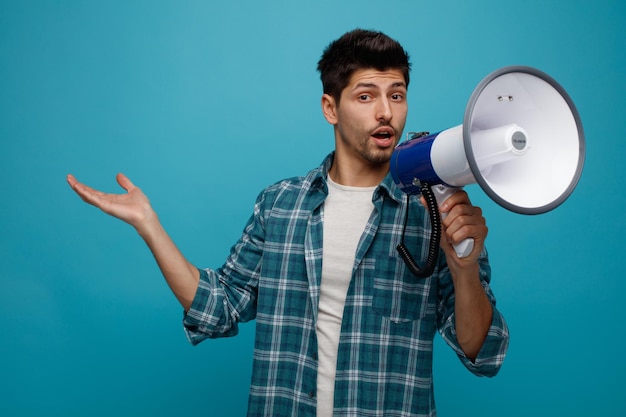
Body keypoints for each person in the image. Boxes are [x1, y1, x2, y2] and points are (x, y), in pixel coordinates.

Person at [67, 28, 509, 417]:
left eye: (396, 94)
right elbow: (219, 306)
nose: (385, 113)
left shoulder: (439, 207)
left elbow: (479, 349)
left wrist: (464, 268)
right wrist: (149, 224)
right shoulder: (280, 206)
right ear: (330, 108)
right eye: (365, 96)